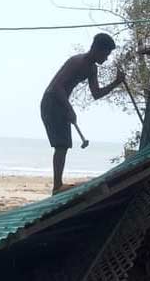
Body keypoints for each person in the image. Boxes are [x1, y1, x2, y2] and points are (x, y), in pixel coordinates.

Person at [41, 33, 124, 194]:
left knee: (63, 144)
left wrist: (116, 82)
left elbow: (96, 94)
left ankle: (58, 185)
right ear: (96, 49)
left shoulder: (92, 69)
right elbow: (56, 87)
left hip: (61, 102)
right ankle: (57, 186)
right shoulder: (76, 62)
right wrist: (69, 109)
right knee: (62, 144)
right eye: (106, 54)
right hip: (51, 101)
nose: (106, 58)